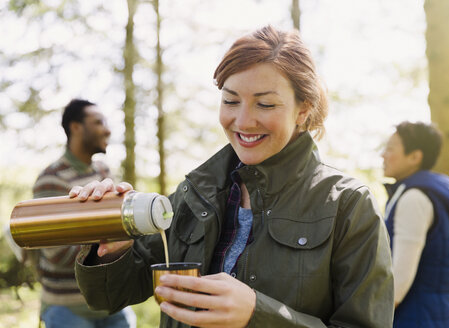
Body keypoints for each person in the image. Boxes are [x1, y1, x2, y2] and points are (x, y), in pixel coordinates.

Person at [71, 26, 394, 327]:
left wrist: (258, 315)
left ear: (303, 109)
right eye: (230, 101)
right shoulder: (196, 191)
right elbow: (112, 295)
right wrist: (115, 249)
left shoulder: (348, 205)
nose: (243, 120)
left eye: (265, 104)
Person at [32, 99, 136, 328]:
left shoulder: (103, 171)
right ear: (76, 127)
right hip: (67, 309)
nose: (107, 129)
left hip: (111, 301)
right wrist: (110, 244)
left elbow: (118, 227)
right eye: (98, 122)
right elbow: (56, 253)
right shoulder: (52, 178)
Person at [382, 121, 449, 327]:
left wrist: (370, 315)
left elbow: (400, 279)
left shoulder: (414, 198)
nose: (383, 155)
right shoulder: (425, 193)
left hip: (418, 319)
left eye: (390, 149)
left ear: (415, 157)